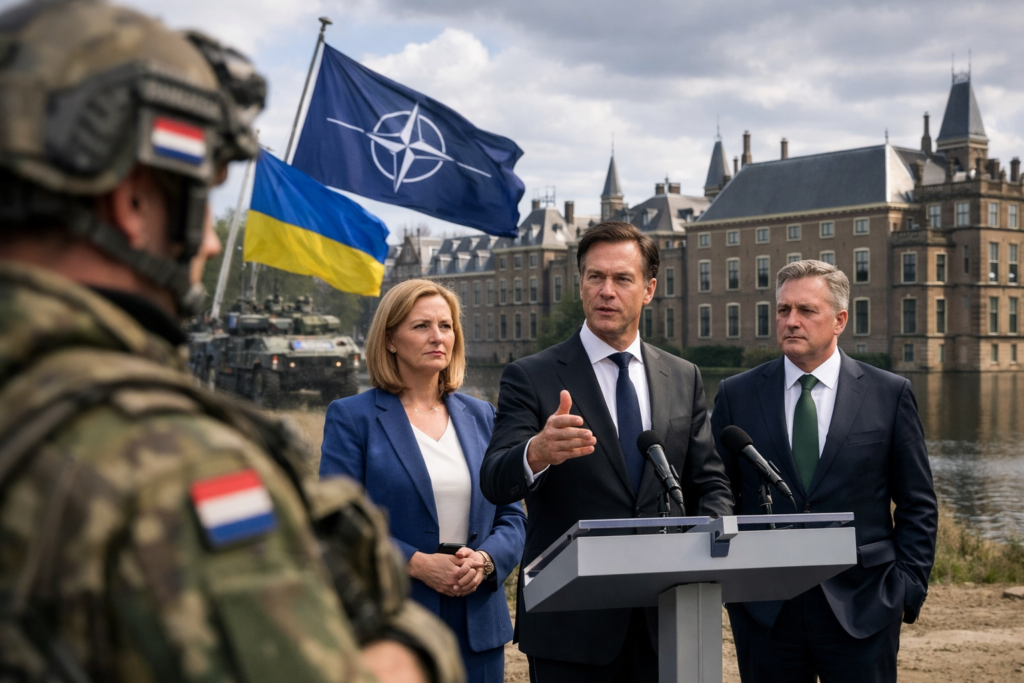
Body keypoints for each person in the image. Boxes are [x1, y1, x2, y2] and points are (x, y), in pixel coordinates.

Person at [0, 2, 464, 682]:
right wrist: (412, 645)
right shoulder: (161, 465)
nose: (212, 242)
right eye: (199, 202)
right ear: (132, 204)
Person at [480, 221, 734, 683]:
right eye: (594, 277)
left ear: (650, 289)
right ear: (580, 285)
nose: (606, 291)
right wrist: (536, 453)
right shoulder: (530, 376)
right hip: (570, 626)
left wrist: (710, 547)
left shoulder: (683, 375)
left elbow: (709, 481)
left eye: (622, 279)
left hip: (668, 622)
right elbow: (495, 479)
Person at [710, 260, 938, 683]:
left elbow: (917, 503)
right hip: (765, 610)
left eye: (806, 310)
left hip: (865, 604)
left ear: (840, 320)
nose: (790, 321)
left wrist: (906, 589)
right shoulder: (736, 394)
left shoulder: (889, 394)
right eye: (782, 310)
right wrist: (731, 586)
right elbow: (715, 491)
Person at [320, 279, 526, 683]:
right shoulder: (352, 417)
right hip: (393, 627)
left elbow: (512, 516)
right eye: (422, 326)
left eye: (446, 326)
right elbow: (336, 522)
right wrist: (414, 564)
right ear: (390, 339)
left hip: (477, 628)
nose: (438, 337)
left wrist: (485, 561)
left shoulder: (482, 415)